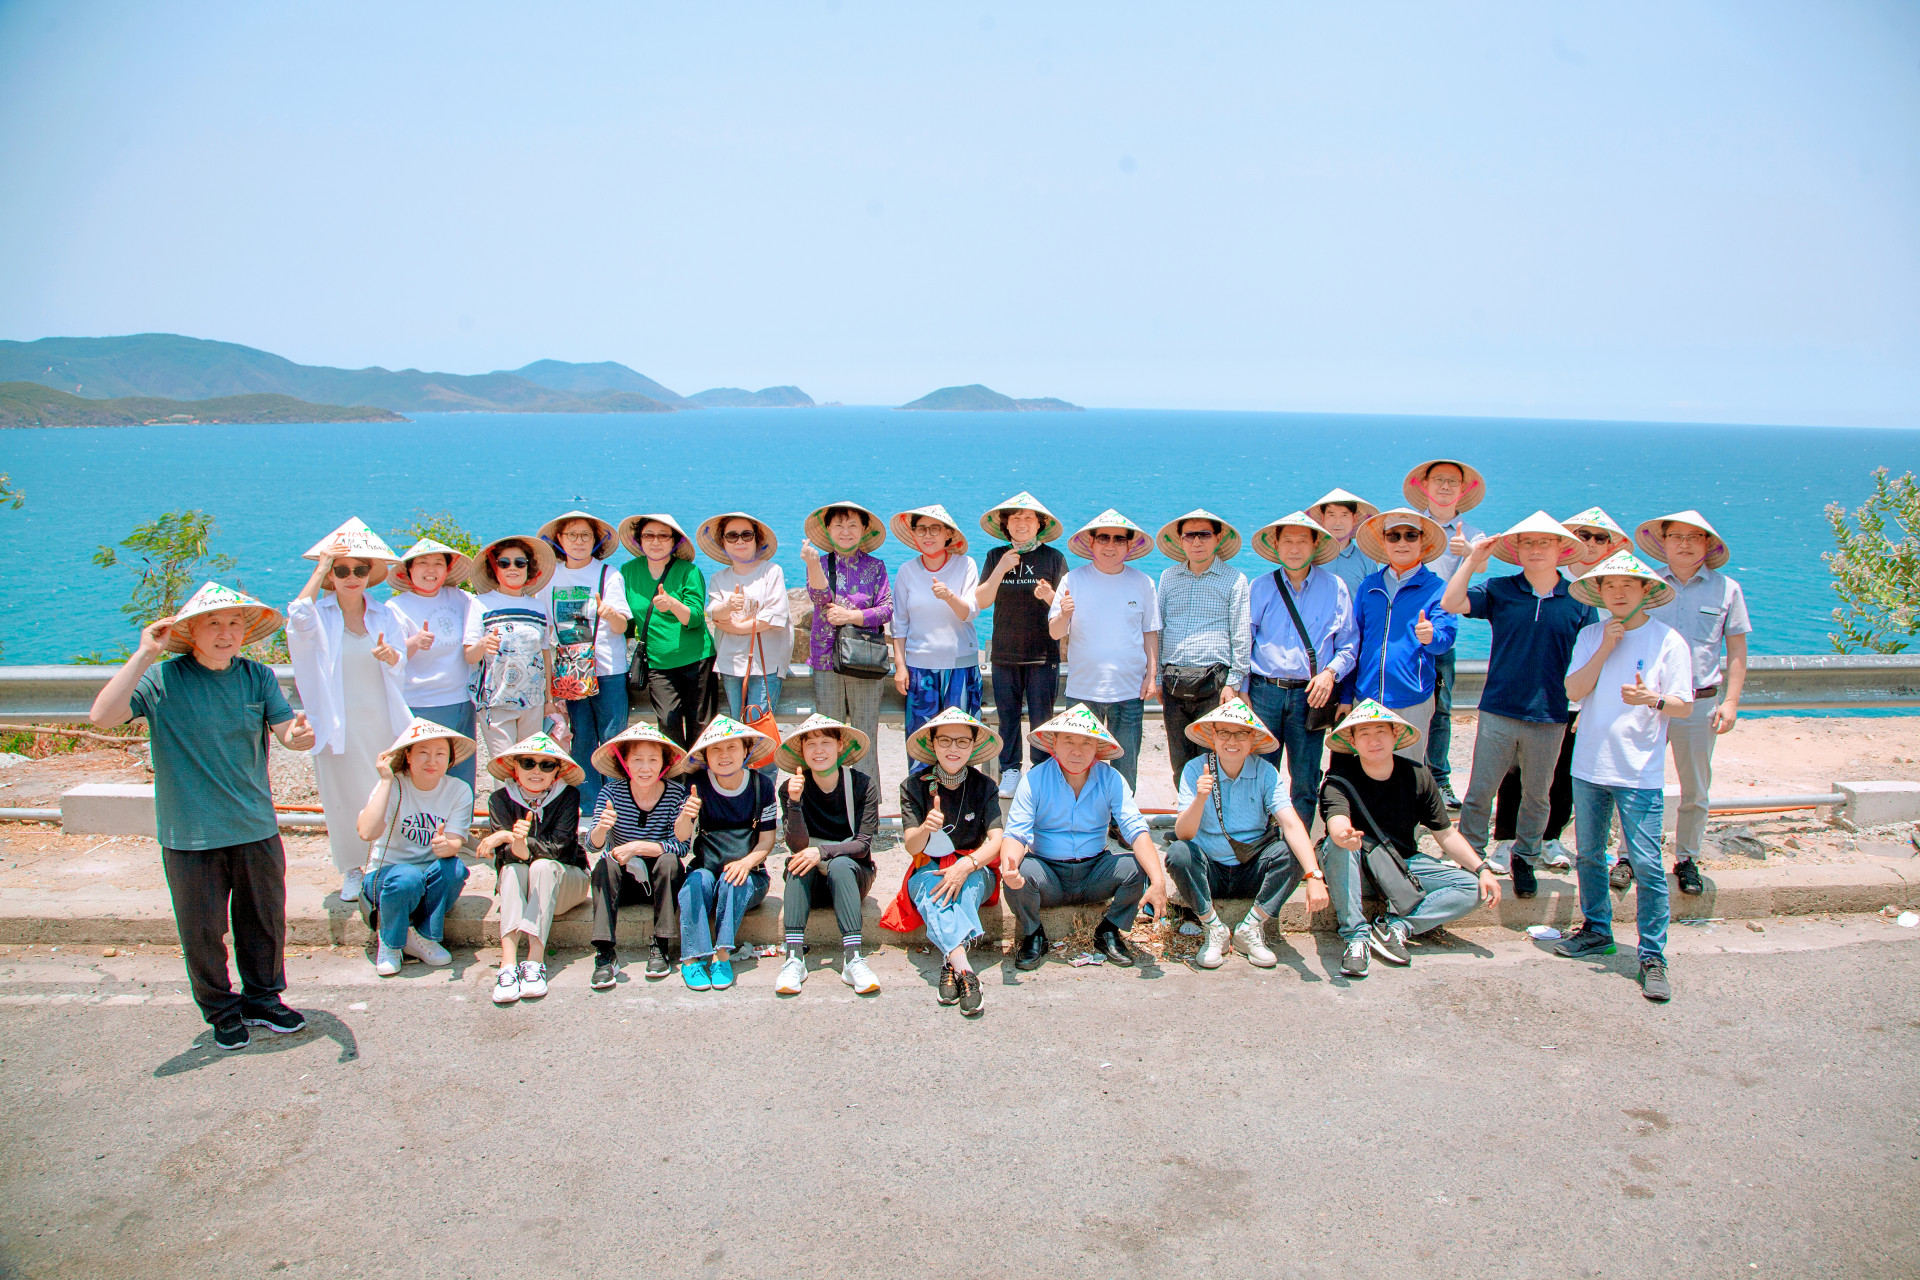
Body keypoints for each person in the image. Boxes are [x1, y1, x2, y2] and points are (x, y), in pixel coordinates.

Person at [89, 582, 314, 1051]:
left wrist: (303, 734)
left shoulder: (258, 676)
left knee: (264, 920)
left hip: (254, 823)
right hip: (189, 831)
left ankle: (263, 998)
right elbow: (103, 716)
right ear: (190, 632)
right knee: (203, 929)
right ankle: (221, 1010)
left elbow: (289, 734)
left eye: (234, 623)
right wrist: (144, 654)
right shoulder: (162, 680)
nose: (225, 632)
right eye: (213, 623)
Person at [1555, 550, 1693, 1002]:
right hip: (1589, 763)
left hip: (1638, 768)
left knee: (1649, 865)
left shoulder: (1668, 641)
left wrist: (1652, 699)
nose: (1617, 592)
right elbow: (1573, 690)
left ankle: (1652, 955)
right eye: (1609, 586)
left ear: (1645, 592)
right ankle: (1597, 929)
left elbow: (1684, 705)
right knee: (1589, 855)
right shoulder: (1592, 633)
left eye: (1627, 586)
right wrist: (1607, 648)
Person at [1440, 512, 1594, 901]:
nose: (1537, 549)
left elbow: (1592, 658)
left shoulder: (1579, 600)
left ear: (1561, 549)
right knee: (1480, 791)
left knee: (1537, 794)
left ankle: (1525, 857)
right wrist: (1473, 559)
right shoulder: (1501, 589)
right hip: (1498, 708)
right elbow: (1451, 601)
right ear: (1517, 550)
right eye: (1528, 542)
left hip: (1551, 714)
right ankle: (1471, 858)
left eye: (1546, 542)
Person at [1488, 507, 1630, 872]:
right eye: (1584, 535)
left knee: (1563, 770)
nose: (1592, 543)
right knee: (1515, 772)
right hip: (1534, 694)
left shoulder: (1617, 581)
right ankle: (1506, 839)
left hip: (1580, 695)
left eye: (1601, 538)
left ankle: (1549, 838)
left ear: (1613, 546)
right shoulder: (1554, 578)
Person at [1317, 701, 1501, 979]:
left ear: (1395, 735)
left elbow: (1445, 833)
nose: (1374, 740)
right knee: (1339, 846)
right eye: (1364, 733)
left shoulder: (1418, 775)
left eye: (1381, 731)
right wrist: (1343, 834)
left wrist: (1482, 869)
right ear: (1352, 741)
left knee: (1473, 887)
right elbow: (1336, 821)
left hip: (1401, 865)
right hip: (1356, 868)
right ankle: (1356, 936)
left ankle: (1398, 927)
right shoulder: (1338, 780)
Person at [286, 517, 413, 904]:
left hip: (381, 718)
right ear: (331, 576)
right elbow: (296, 616)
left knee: (383, 789)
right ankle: (352, 869)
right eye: (342, 570)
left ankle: (382, 860)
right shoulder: (320, 615)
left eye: (359, 569)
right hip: (336, 722)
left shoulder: (385, 614)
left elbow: (399, 660)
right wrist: (322, 565)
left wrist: (391, 655)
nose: (351, 576)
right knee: (341, 796)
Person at [1000, 704, 1172, 970]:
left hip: (1095, 871)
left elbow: (1136, 830)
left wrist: (1159, 880)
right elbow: (1016, 833)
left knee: (1138, 867)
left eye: (1086, 743)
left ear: (1097, 748)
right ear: (1054, 743)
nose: (1077, 751)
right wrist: (1009, 866)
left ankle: (1109, 929)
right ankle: (1033, 933)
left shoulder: (1111, 779)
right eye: (1068, 741)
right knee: (1018, 872)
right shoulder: (1034, 780)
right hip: (1048, 873)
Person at [1638, 510, 1752, 898]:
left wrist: (1731, 702)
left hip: (1701, 702)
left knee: (1696, 788)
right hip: (1648, 704)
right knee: (1636, 782)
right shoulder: (1646, 586)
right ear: (1663, 542)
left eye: (1694, 537)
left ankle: (1686, 859)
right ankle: (1627, 857)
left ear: (1708, 545)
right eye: (1676, 537)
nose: (1684, 544)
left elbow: (1736, 649)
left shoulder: (1727, 590)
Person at [1166, 699, 1328, 970]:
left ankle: (1250, 927)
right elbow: (1183, 833)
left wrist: (1314, 875)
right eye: (1224, 733)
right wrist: (1200, 798)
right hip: (1210, 869)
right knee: (1179, 853)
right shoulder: (1195, 769)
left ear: (1252, 739)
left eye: (1241, 733)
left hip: (1252, 868)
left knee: (1294, 852)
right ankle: (1213, 927)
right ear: (1212, 736)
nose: (1233, 741)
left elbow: (1291, 823)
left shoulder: (1266, 772)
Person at [882, 708, 1006, 1016]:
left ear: (974, 746)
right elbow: (912, 847)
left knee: (961, 891)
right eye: (946, 741)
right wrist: (925, 827)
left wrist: (967, 865)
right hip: (928, 865)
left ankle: (950, 964)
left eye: (963, 742)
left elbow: (997, 841)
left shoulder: (985, 786)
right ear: (933, 744)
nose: (954, 749)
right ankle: (965, 971)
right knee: (936, 892)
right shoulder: (913, 786)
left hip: (975, 864)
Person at [1246, 511, 1357, 825]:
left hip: (1312, 695)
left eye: (1301, 541)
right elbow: (1245, 641)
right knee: (1259, 772)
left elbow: (1349, 643)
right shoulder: (1261, 586)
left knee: (1305, 778)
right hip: (1264, 690)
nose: (1294, 549)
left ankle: (1298, 854)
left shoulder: (1335, 587)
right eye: (1288, 541)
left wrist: (1330, 672)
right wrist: (1242, 690)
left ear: (1315, 545)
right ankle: (1260, 845)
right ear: (1277, 545)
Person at [1048, 510, 1161, 792]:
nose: (1110, 546)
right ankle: (1082, 821)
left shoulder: (1143, 582)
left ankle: (1122, 824)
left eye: (1119, 539)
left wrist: (1152, 675)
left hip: (1130, 691)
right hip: (1083, 690)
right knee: (1077, 765)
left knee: (1127, 764)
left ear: (1129, 544)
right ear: (1092, 542)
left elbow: (1149, 632)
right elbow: (1055, 632)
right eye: (1103, 538)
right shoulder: (1072, 580)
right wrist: (1064, 615)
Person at [353, 718, 475, 977]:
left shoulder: (458, 790)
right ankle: (390, 941)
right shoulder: (394, 784)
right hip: (387, 878)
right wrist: (385, 780)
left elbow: (455, 841)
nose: (432, 761)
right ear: (407, 756)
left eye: (440, 754)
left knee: (455, 868)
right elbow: (366, 832)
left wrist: (446, 846)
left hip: (427, 879)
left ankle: (422, 936)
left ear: (450, 760)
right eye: (423, 753)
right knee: (406, 877)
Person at [772, 714, 881, 996]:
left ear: (839, 745)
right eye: (811, 745)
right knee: (797, 864)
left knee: (842, 864)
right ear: (802, 752)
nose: (818, 751)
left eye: (825, 743)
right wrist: (794, 804)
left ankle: (853, 958)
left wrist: (822, 851)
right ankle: (794, 957)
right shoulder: (791, 787)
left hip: (851, 876)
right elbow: (797, 846)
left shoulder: (862, 785)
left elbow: (863, 845)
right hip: (813, 882)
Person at [477, 731, 588, 1006]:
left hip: (565, 882)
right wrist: (513, 841)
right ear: (515, 768)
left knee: (542, 867)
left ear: (556, 772)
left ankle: (535, 961)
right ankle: (508, 964)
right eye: (528, 763)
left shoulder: (568, 796)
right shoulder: (499, 800)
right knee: (513, 871)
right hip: (523, 885)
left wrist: (513, 838)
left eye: (546, 765)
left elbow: (560, 848)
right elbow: (506, 860)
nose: (536, 771)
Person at [1403, 459, 1487, 808]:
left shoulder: (1471, 534)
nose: (1445, 487)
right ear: (1424, 485)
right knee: (1400, 705)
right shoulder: (1410, 525)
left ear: (1463, 489)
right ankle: (1405, 772)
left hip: (1442, 631)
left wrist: (1468, 553)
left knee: (1442, 708)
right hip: (1405, 629)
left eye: (1453, 481)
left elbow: (1482, 565)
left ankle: (1438, 778)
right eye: (1438, 480)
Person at [973, 492, 1068, 799]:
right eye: (1015, 518)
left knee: (1042, 718)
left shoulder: (1053, 558)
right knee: (1008, 715)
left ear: (1040, 524)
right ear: (1006, 525)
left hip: (1042, 655)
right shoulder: (994, 555)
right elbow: (982, 600)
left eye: (1029, 518)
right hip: (1003, 653)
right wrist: (1001, 568)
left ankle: (1040, 771)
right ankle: (1010, 770)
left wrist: (1048, 596)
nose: (1022, 523)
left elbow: (1066, 606)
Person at [1342, 508, 1456, 761]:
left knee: (1408, 772)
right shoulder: (1369, 585)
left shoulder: (1438, 588)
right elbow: (1353, 643)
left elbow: (1445, 641)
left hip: (1413, 699)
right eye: (1394, 536)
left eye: (1410, 535)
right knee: (1368, 771)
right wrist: (1345, 695)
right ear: (1384, 542)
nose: (1402, 542)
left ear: (1422, 542)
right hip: (1366, 696)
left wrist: (1431, 636)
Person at [676, 716, 778, 992]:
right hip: (707, 867)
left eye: (731, 747)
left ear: (746, 750)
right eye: (716, 750)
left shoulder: (761, 786)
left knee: (733, 879)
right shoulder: (696, 784)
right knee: (693, 884)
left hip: (750, 873)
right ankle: (691, 959)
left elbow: (767, 840)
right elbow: (682, 836)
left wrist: (745, 863)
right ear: (705, 756)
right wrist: (687, 814)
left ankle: (722, 956)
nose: (724, 756)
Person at [585, 722, 691, 989]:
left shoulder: (675, 794)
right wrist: (601, 827)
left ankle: (661, 945)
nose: (645, 768)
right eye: (638, 760)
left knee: (669, 861)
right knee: (602, 866)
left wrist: (637, 846)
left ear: (664, 764)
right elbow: (592, 846)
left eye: (653, 760)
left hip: (660, 884)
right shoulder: (610, 793)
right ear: (625, 763)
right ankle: (605, 953)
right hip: (623, 884)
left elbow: (681, 847)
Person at [539, 510, 630, 814]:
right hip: (570, 672)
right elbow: (544, 631)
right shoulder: (549, 577)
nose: (579, 541)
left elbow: (621, 628)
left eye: (585, 536)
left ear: (595, 540)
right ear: (560, 540)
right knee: (581, 738)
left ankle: (617, 804)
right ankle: (590, 805)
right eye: (572, 535)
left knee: (611, 738)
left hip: (608, 670)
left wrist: (609, 614)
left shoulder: (608, 574)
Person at [1153, 509, 1252, 789]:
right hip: (1173, 680)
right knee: (1180, 760)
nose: (1197, 542)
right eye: (1190, 535)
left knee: (1213, 759)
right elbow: (1159, 629)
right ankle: (1188, 825)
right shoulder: (1168, 577)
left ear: (1218, 538)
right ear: (1181, 540)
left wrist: (1234, 683)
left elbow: (1241, 634)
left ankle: (1214, 827)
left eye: (1204, 534)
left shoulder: (1234, 579)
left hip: (1215, 682)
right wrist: (1159, 678)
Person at [799, 501, 892, 781]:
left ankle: (867, 811)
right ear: (827, 530)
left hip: (864, 658)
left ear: (864, 530)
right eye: (838, 525)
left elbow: (886, 609)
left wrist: (851, 615)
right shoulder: (820, 563)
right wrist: (812, 563)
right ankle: (833, 803)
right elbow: (819, 598)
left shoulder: (875, 567)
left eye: (853, 525)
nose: (846, 531)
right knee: (827, 737)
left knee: (865, 734)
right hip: (826, 659)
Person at [700, 511, 792, 787]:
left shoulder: (771, 571)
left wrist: (734, 625)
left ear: (756, 540)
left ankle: (762, 793)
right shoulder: (719, 578)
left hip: (767, 664)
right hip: (730, 664)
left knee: (761, 729)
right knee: (736, 733)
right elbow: (714, 612)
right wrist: (727, 611)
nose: (739, 541)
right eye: (732, 536)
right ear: (723, 543)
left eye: (746, 535)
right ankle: (739, 790)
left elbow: (775, 616)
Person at [385, 539, 484, 791]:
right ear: (408, 570)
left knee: (461, 773)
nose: (431, 570)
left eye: (438, 563)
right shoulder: (396, 607)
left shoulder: (462, 598)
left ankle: (458, 828)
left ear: (448, 569)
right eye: (423, 563)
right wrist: (414, 642)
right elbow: (391, 656)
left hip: (462, 700)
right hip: (421, 702)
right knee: (424, 773)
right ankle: (423, 828)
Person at [888, 503, 982, 761]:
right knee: (921, 746)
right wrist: (900, 666)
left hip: (961, 668)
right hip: (919, 669)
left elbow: (970, 612)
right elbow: (899, 622)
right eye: (921, 529)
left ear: (948, 534)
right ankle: (922, 800)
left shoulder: (966, 565)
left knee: (961, 746)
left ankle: (959, 800)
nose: (927, 535)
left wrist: (948, 596)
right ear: (914, 534)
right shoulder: (907, 571)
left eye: (934, 529)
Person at [616, 513, 715, 753]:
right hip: (658, 664)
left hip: (696, 660)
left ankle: (698, 788)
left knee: (700, 730)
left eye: (663, 536)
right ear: (640, 540)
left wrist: (672, 604)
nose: (655, 541)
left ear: (674, 542)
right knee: (668, 727)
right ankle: (676, 786)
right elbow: (627, 622)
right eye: (648, 535)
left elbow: (695, 618)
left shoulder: (688, 571)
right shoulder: (628, 571)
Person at [468, 534, 561, 761]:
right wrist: (482, 644)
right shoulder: (480, 603)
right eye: (504, 563)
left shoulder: (537, 607)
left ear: (529, 569)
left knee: (530, 764)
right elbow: (469, 656)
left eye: (520, 563)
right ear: (494, 568)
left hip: (533, 702)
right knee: (504, 767)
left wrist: (549, 700)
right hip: (495, 701)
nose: (513, 568)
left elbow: (545, 654)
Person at [1310, 488, 1381, 600]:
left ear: (1354, 519)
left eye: (1344, 515)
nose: (1338, 522)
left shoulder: (1367, 561)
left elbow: (1372, 601)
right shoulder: (1310, 558)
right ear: (1323, 519)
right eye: (1332, 515)